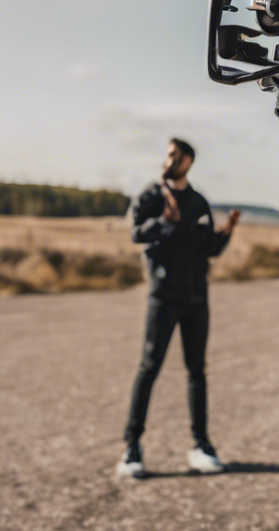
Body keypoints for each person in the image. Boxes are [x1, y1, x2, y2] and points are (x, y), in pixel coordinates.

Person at [117, 137, 240, 478]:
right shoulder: (151, 197)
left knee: (197, 372)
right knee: (149, 368)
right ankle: (132, 448)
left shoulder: (199, 202)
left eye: (174, 155)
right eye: (167, 154)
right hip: (163, 298)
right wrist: (166, 223)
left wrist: (226, 232)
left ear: (188, 161)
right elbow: (136, 235)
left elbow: (208, 248)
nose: (168, 160)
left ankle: (201, 445)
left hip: (197, 299)